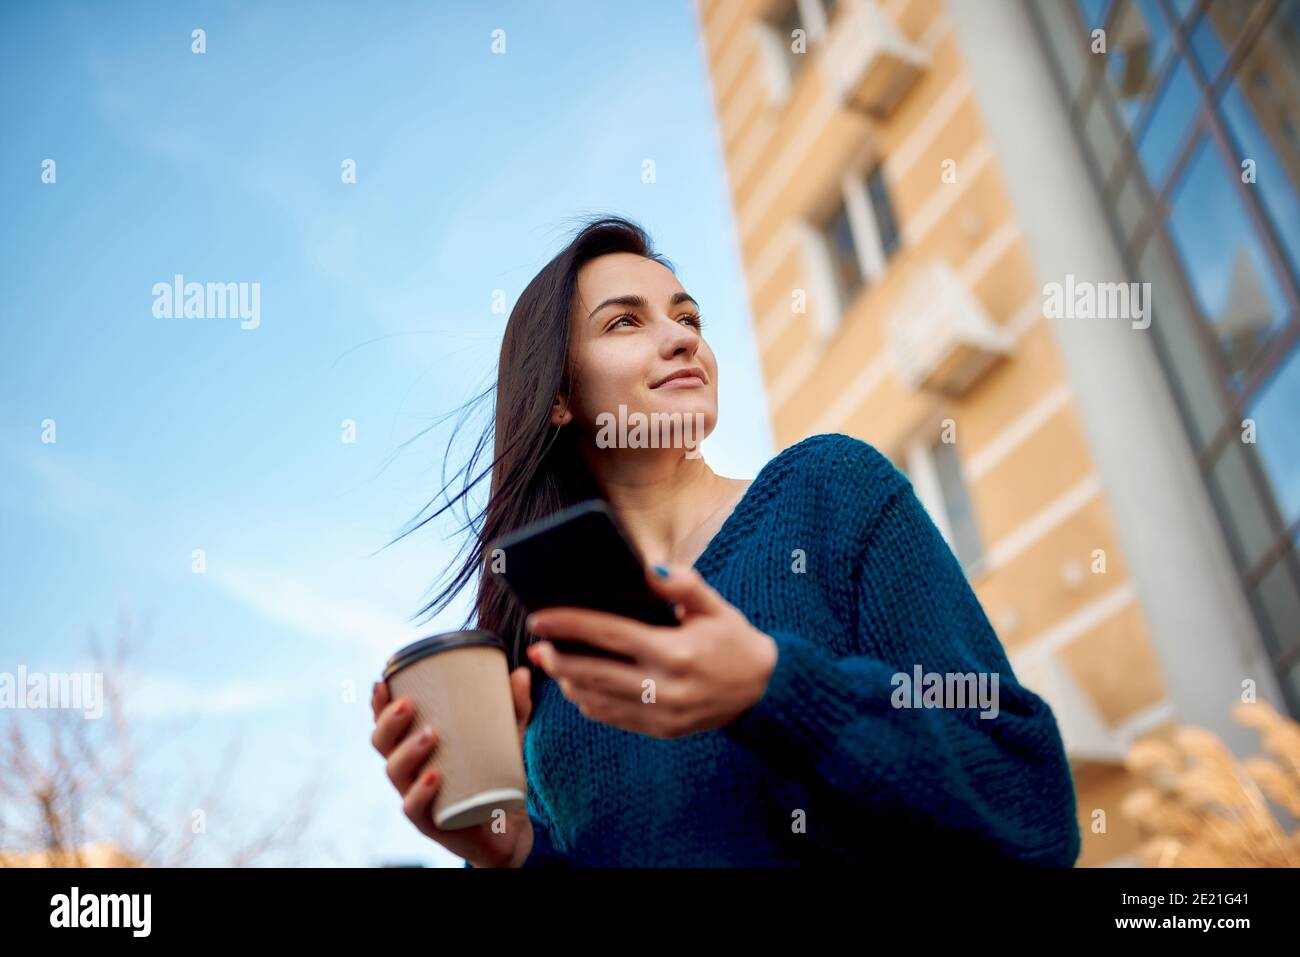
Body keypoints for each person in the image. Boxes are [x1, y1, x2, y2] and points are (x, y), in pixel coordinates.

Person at [370, 214, 1082, 867]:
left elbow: (1030, 801)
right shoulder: (556, 671)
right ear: (558, 394)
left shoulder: (831, 493)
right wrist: (514, 853)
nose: (682, 337)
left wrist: (775, 690)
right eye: (624, 322)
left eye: (688, 317)